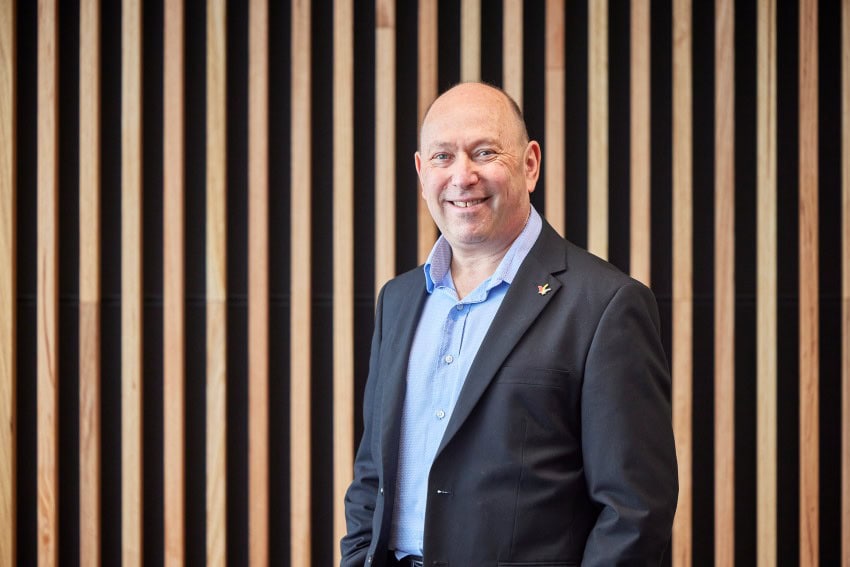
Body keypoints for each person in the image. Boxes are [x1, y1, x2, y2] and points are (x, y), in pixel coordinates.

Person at [341, 82, 678, 567]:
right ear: (421, 171)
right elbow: (371, 476)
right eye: (442, 156)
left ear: (530, 164)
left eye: (484, 152)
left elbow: (634, 512)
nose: (463, 175)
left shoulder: (605, 305)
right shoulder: (399, 300)